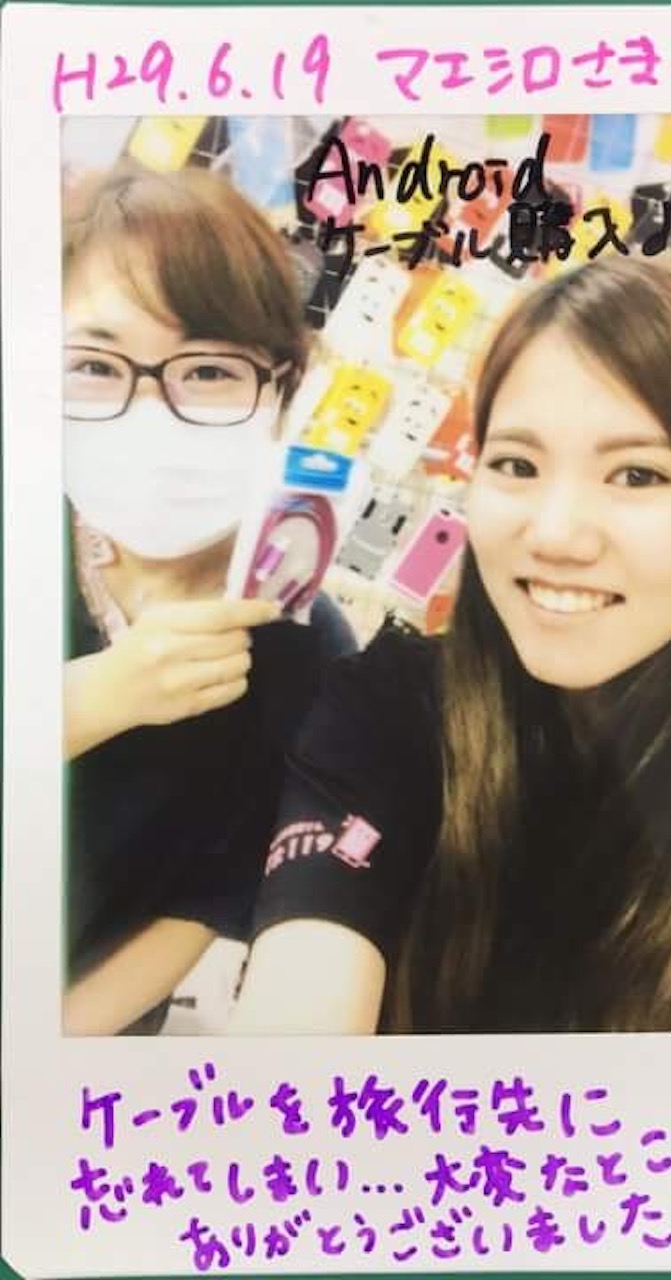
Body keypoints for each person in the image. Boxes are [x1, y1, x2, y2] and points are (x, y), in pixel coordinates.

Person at [230, 252, 671, 1036]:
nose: (555, 534)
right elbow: (300, 1000)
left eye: (637, 475)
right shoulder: (391, 709)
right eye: (516, 464)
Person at [63, 160, 354, 1035]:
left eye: (211, 369)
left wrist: (48, 1045)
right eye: (95, 364)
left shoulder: (303, 640)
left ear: (281, 388)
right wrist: (83, 705)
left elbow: (208, 898)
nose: (151, 408)